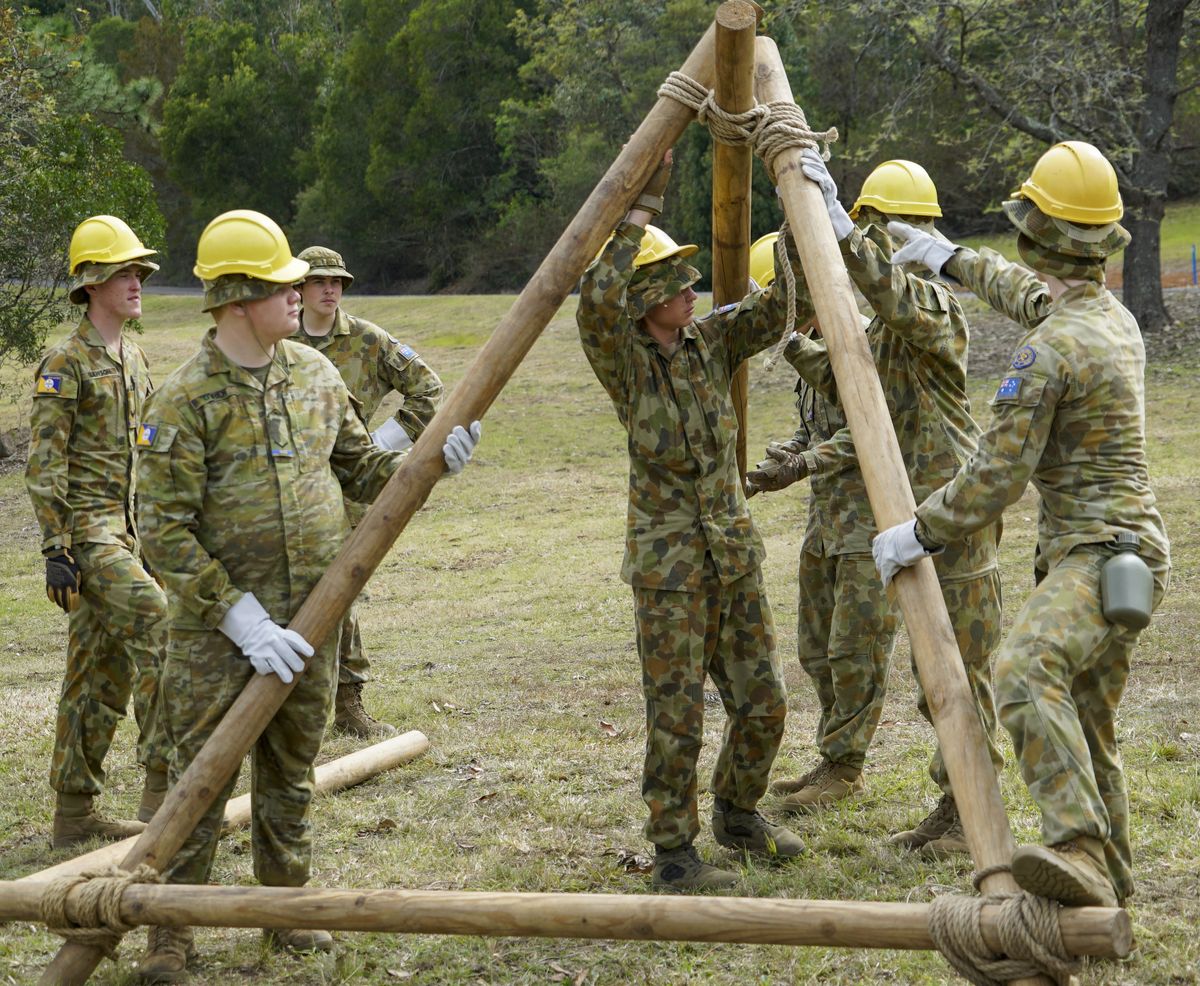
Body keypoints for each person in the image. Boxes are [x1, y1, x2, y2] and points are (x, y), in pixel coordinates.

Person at [135, 210, 480, 980]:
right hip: (218, 634)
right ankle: (170, 932)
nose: (299, 293)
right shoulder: (185, 400)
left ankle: (285, 912)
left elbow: (362, 470)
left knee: (291, 771)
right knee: (200, 779)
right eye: (281, 284)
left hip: (310, 621)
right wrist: (238, 617)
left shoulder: (317, 377)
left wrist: (430, 463)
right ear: (235, 299)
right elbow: (160, 530)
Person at [878, 140, 1170, 907]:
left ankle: (1079, 847)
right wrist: (948, 258)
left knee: (1022, 670)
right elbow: (1030, 295)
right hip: (1130, 554)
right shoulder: (1108, 318)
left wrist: (916, 532)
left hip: (1094, 555)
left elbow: (995, 479)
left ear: (1034, 236)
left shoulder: (1048, 352)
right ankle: (1109, 894)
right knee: (1086, 721)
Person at [760, 153, 1005, 858]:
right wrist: (793, 340)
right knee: (932, 670)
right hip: (912, 514)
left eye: (875, 229)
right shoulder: (891, 319)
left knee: (960, 669)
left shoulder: (933, 305)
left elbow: (888, 294)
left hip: (955, 510)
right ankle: (950, 805)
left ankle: (967, 812)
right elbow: (851, 373)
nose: (869, 241)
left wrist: (839, 229)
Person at [577, 151, 804, 893]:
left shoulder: (712, 341)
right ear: (641, 298)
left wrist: (797, 216)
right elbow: (593, 300)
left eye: (688, 277)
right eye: (671, 280)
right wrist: (639, 212)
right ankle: (674, 854)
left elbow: (780, 307)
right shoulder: (625, 361)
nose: (689, 288)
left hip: (733, 557)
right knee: (676, 717)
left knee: (763, 703)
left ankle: (738, 813)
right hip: (669, 572)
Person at [25, 215, 170, 848]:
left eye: (140, 271)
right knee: (162, 625)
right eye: (123, 273)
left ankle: (74, 814)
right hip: (88, 535)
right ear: (91, 283)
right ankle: (165, 793)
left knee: (96, 671)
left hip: (127, 532)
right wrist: (56, 547)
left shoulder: (134, 356)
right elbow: (44, 460)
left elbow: (148, 449)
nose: (136, 281)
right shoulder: (66, 360)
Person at [743, 232, 900, 815]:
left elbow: (871, 430)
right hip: (825, 524)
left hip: (868, 524)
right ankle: (833, 755)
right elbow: (816, 428)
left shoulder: (858, 345)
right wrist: (786, 457)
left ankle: (845, 766)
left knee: (855, 649)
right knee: (816, 648)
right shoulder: (810, 351)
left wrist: (807, 462)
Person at [293, 245, 445, 738]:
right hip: (286, 486)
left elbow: (428, 389)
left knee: (339, 587)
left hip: (349, 486)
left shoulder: (367, 339)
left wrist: (382, 442)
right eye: (319, 281)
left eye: (337, 281)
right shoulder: (279, 338)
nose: (330, 289)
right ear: (298, 287)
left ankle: (348, 702)